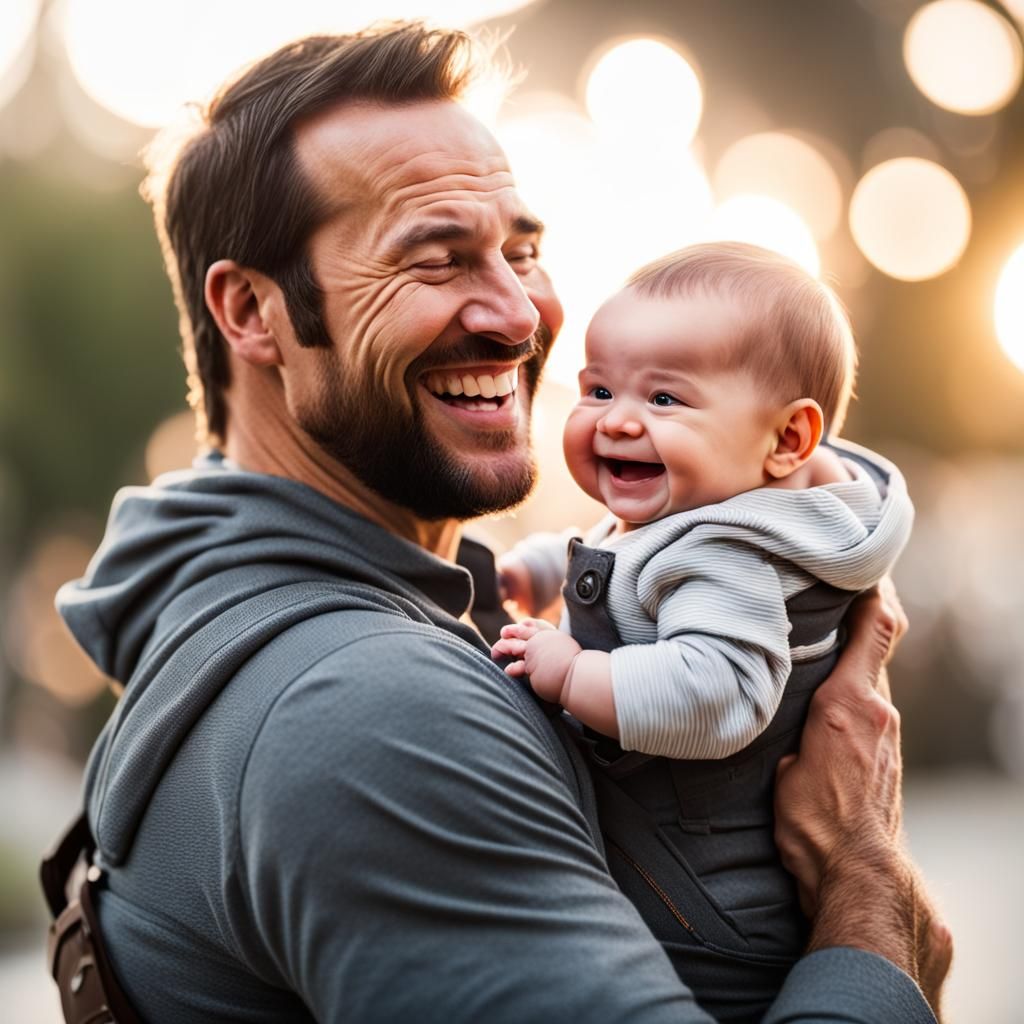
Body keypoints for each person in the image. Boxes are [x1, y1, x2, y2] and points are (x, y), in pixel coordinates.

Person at [55, 22, 949, 1023]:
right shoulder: (372, 711)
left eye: (521, 249)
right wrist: (870, 906)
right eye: (437, 260)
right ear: (254, 312)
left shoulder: (215, 594)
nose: (519, 315)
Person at [490, 242, 915, 1018]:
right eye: (598, 388)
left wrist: (569, 673)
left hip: (706, 917)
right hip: (692, 889)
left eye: (665, 401)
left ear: (787, 440)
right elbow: (627, 559)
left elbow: (719, 693)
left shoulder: (731, 558)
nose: (617, 420)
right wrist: (541, 570)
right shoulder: (711, 502)